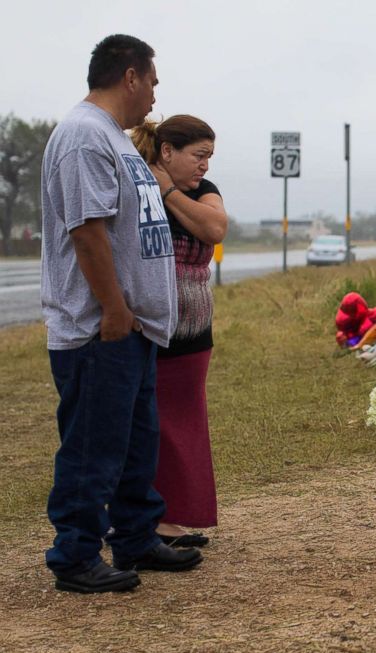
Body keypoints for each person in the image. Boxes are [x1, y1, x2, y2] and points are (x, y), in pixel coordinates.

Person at [41, 34, 203, 594]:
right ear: (129, 76)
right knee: (92, 446)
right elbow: (86, 231)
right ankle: (75, 554)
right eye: (152, 83)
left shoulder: (111, 138)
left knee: (135, 442)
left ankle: (134, 536)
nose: (155, 99)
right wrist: (113, 308)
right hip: (100, 328)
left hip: (132, 328)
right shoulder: (84, 137)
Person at [131, 116, 227, 547]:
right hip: (152, 321)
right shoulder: (137, 186)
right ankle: (154, 517)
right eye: (198, 155)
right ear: (167, 151)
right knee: (154, 422)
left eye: (209, 157)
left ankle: (178, 512)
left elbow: (214, 228)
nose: (205, 166)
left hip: (194, 327)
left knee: (185, 421)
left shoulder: (203, 192)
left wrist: (168, 190)